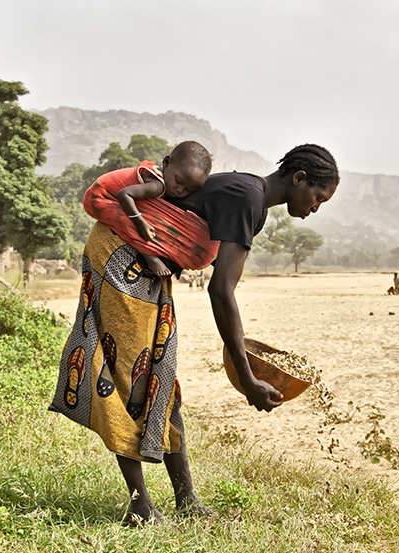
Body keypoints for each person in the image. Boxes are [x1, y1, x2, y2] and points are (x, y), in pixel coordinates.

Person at [49, 143, 339, 526]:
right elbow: (221, 290)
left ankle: (186, 498)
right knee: (129, 375)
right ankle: (140, 507)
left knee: (161, 376)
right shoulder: (248, 198)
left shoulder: (249, 198)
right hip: (123, 255)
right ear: (299, 179)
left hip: (149, 266)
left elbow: (216, 274)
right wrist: (247, 377)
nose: (315, 207)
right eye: (318, 197)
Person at [82, 140, 213, 277]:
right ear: (166, 163)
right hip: (99, 196)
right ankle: (150, 257)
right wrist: (140, 221)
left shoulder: (164, 179)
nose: (180, 190)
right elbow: (124, 194)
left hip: (108, 195)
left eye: (188, 190)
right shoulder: (158, 186)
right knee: (129, 224)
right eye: (178, 182)